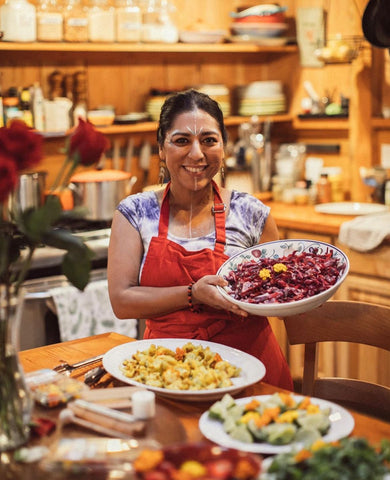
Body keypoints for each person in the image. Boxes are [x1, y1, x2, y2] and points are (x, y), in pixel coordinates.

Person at [107, 89, 293, 390]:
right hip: (165, 370)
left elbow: (280, 292)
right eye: (182, 141)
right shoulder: (135, 212)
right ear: (161, 150)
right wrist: (193, 294)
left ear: (224, 147)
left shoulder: (252, 213)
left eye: (209, 140)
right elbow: (122, 301)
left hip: (251, 370)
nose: (197, 154)